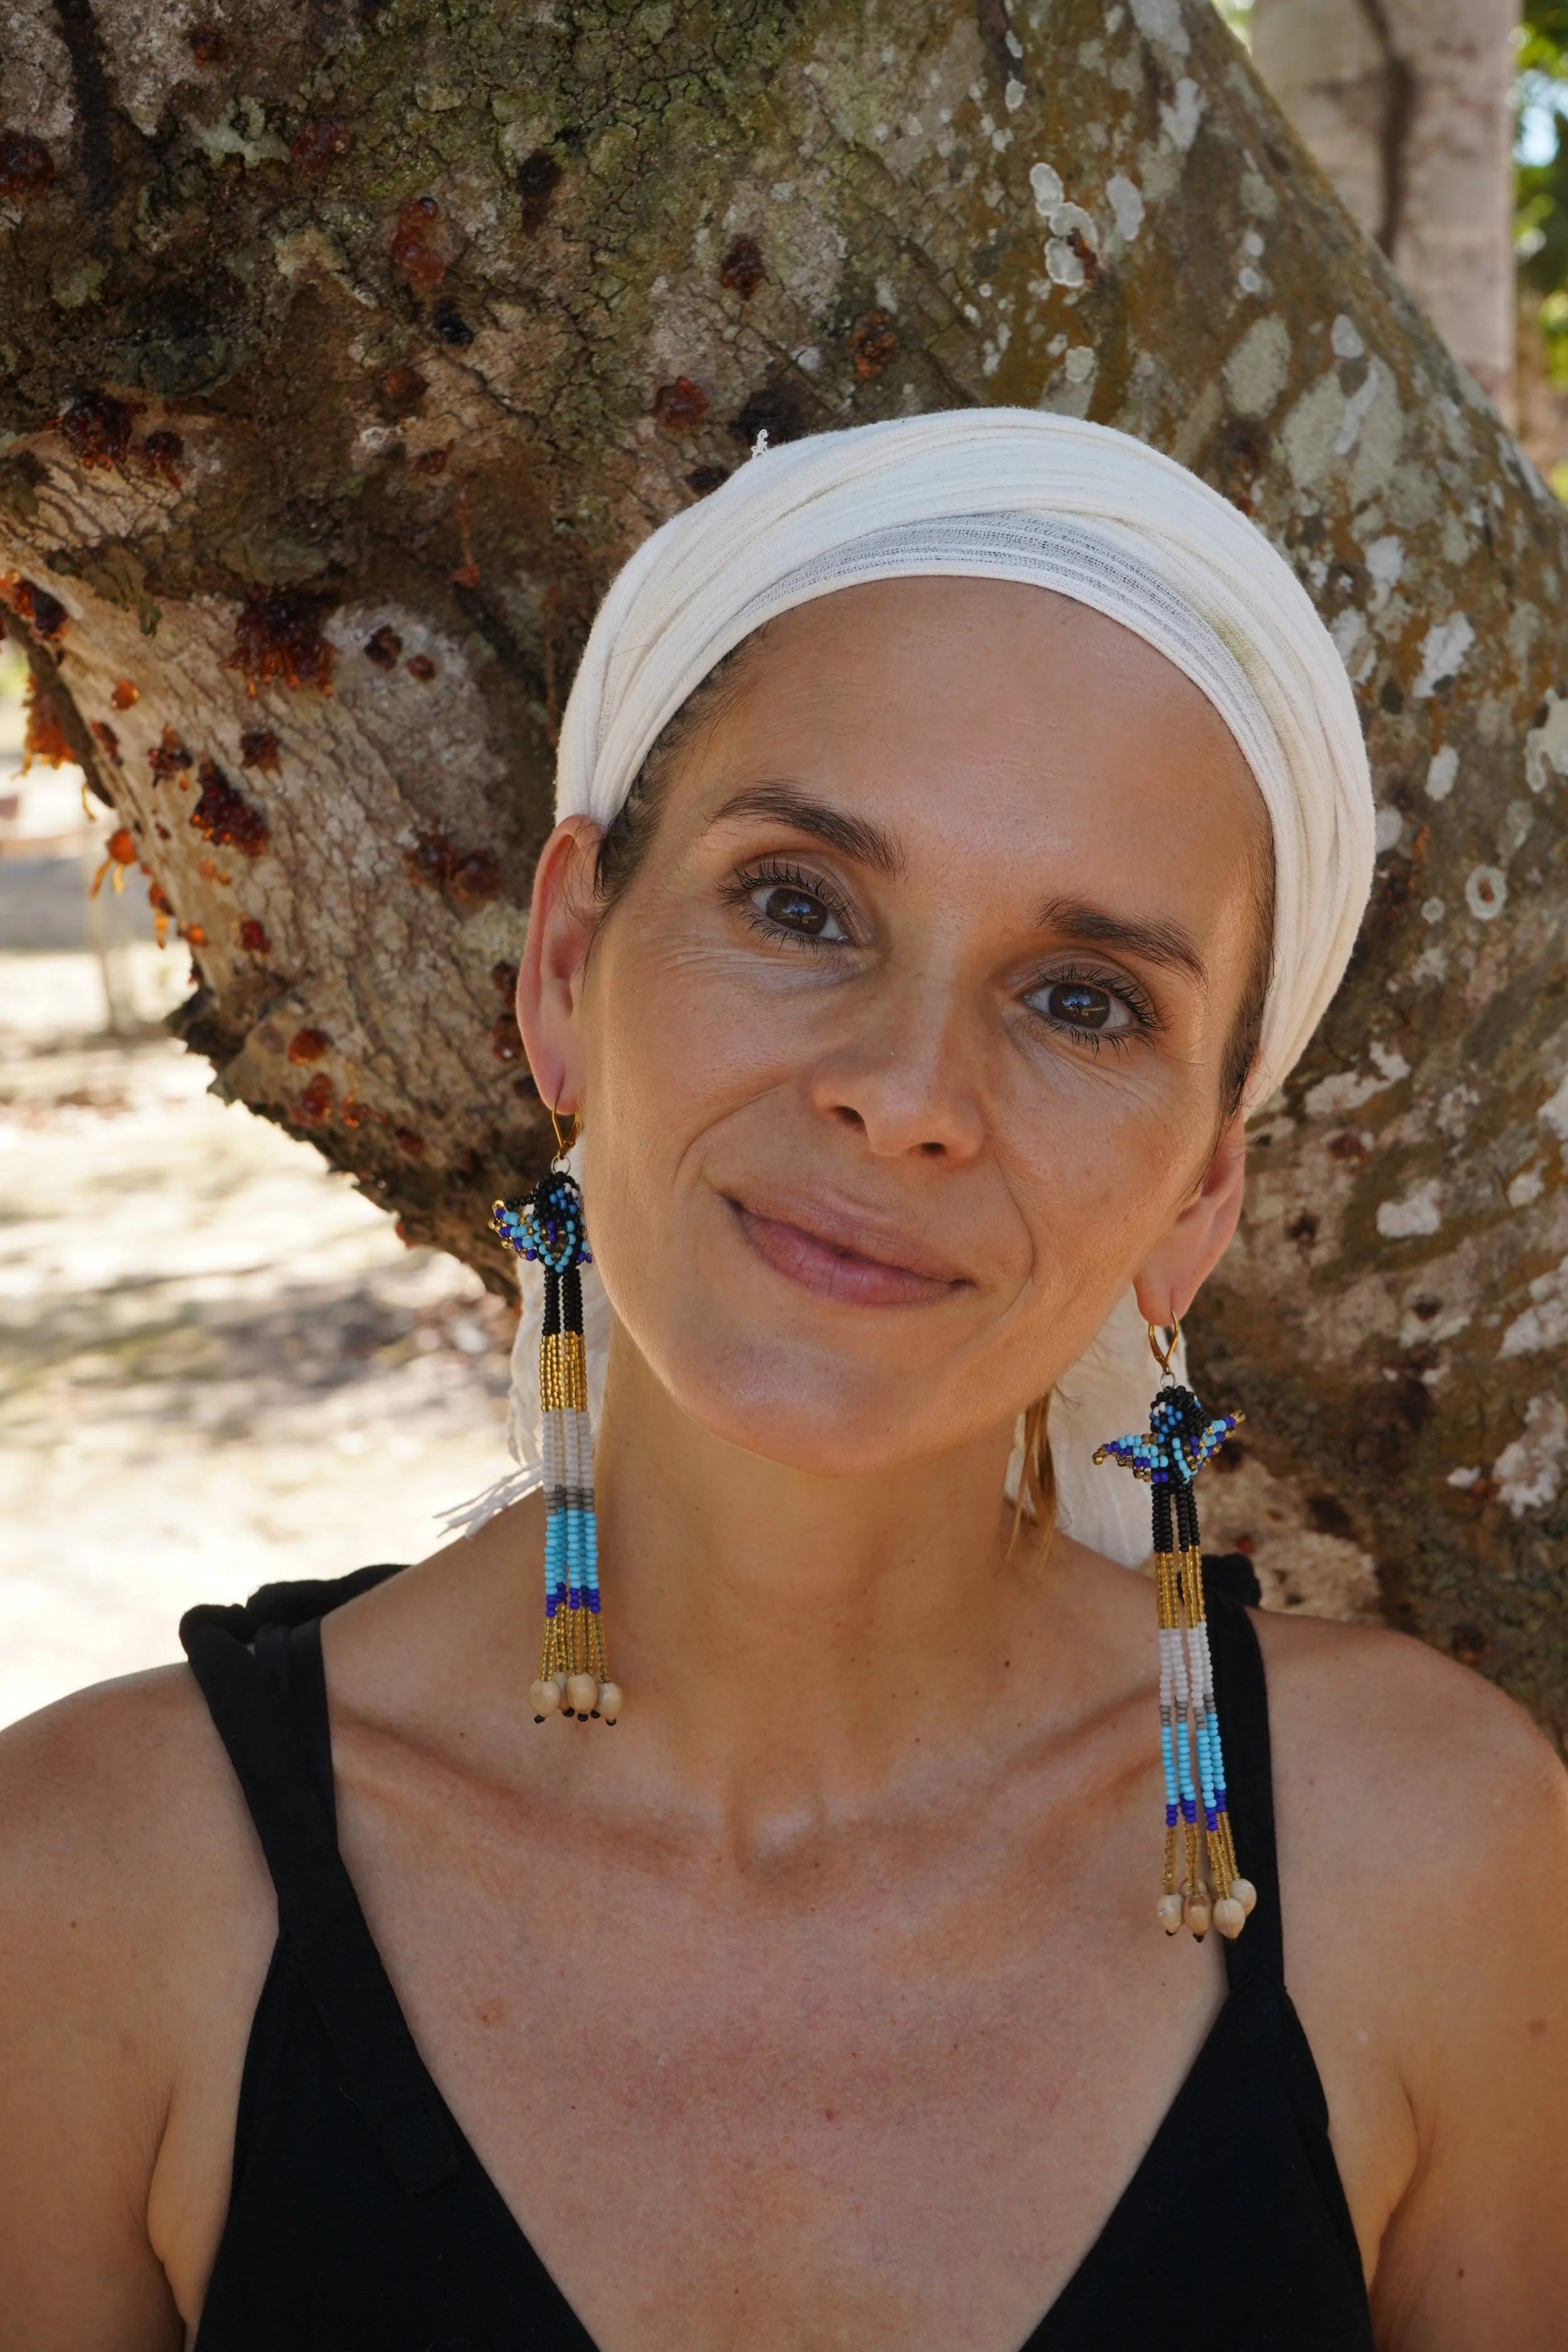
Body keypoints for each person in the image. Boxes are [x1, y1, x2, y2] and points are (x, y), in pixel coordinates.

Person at [1, 411, 1564, 2352]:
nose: (905, 1094)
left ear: (1205, 1190)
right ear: (568, 959)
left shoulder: (1431, 1865)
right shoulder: (93, 1891)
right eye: (800, 900)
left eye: (1081, 1000)